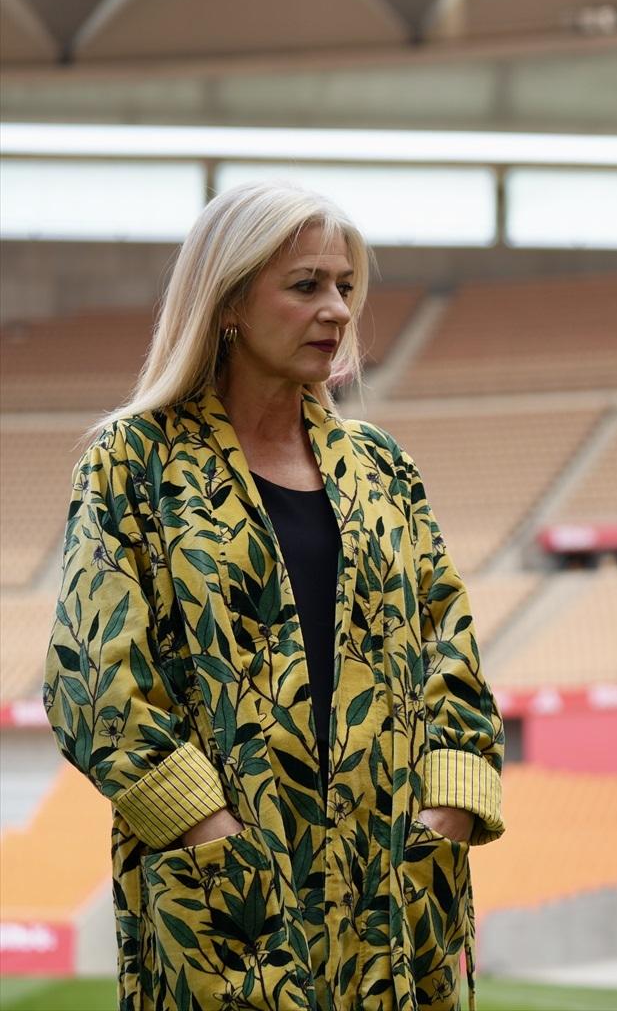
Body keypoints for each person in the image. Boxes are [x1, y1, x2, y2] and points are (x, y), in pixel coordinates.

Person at [44, 181, 505, 1011]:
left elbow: (454, 658)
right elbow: (95, 685)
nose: (335, 310)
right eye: (305, 286)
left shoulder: (383, 470)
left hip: (393, 904)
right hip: (220, 910)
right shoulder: (132, 463)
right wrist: (210, 836)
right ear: (226, 300)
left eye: (345, 287)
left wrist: (445, 822)